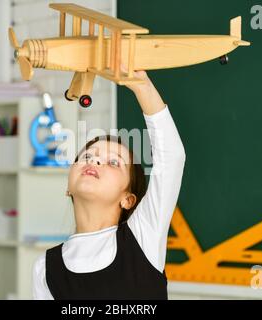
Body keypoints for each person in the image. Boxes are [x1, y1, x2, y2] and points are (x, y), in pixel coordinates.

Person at [33, 68, 186, 299]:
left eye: (113, 162)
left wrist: (141, 85)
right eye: (86, 156)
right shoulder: (44, 268)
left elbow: (172, 158)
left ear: (128, 199)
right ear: (68, 187)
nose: (94, 160)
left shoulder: (143, 237)